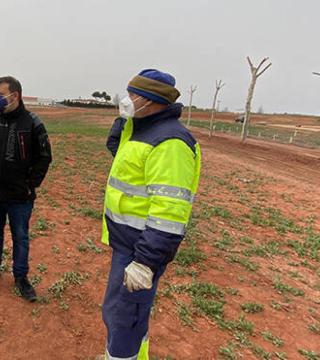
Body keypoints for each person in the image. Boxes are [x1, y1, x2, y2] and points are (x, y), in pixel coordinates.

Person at [101, 69, 201, 359]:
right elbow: (116, 150)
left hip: (140, 251)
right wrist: (124, 121)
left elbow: (169, 213)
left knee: (124, 319)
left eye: (134, 95)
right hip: (128, 245)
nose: (127, 99)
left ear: (153, 100)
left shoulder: (170, 143)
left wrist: (145, 262)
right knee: (127, 315)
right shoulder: (143, 130)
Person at [0, 76, 52, 302]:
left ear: (14, 96)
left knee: (21, 237)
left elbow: (44, 157)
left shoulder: (33, 123)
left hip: (19, 197)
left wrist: (29, 184)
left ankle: (21, 277)